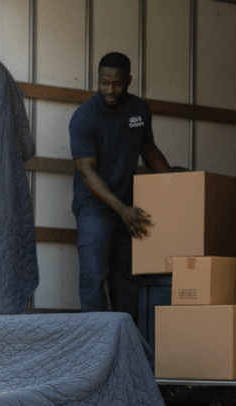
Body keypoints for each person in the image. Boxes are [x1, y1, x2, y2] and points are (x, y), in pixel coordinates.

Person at [70, 51, 173, 322]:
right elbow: (86, 169)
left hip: (126, 205)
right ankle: (95, 346)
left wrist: (174, 183)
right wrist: (122, 209)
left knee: (126, 280)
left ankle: (126, 344)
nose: (110, 89)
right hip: (96, 208)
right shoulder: (85, 118)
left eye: (116, 83)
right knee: (93, 276)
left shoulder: (138, 110)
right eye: (104, 83)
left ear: (128, 80)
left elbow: (148, 149)